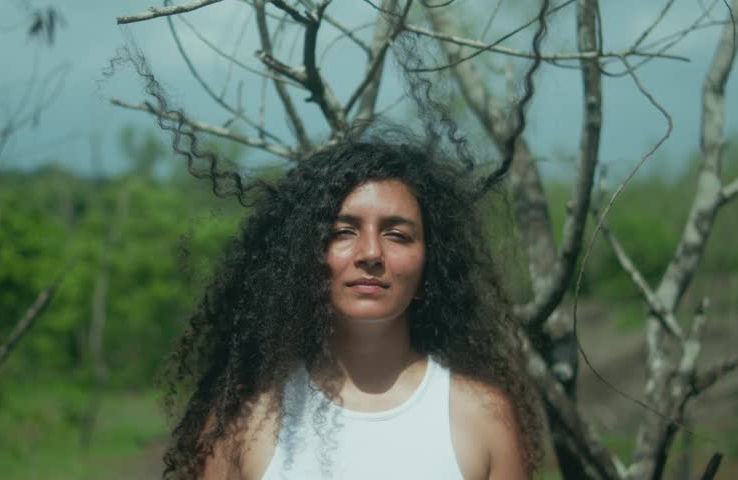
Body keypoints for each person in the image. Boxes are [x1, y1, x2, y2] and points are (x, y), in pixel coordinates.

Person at [162, 139, 543, 479]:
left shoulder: (485, 417)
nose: (372, 253)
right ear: (303, 255)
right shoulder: (244, 421)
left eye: (397, 234)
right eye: (343, 231)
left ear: (433, 263)